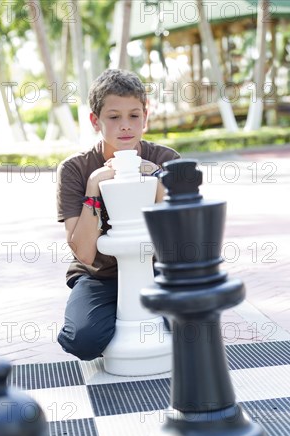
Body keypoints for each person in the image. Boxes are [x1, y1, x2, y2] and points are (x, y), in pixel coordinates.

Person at [56, 68, 180, 361]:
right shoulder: (75, 169)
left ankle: (138, 318)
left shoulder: (167, 160)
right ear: (95, 120)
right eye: (114, 117)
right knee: (82, 340)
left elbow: (176, 241)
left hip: (157, 270)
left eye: (134, 115)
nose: (126, 126)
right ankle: (119, 318)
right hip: (100, 276)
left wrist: (158, 181)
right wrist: (93, 187)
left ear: (145, 117)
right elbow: (84, 253)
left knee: (191, 329)